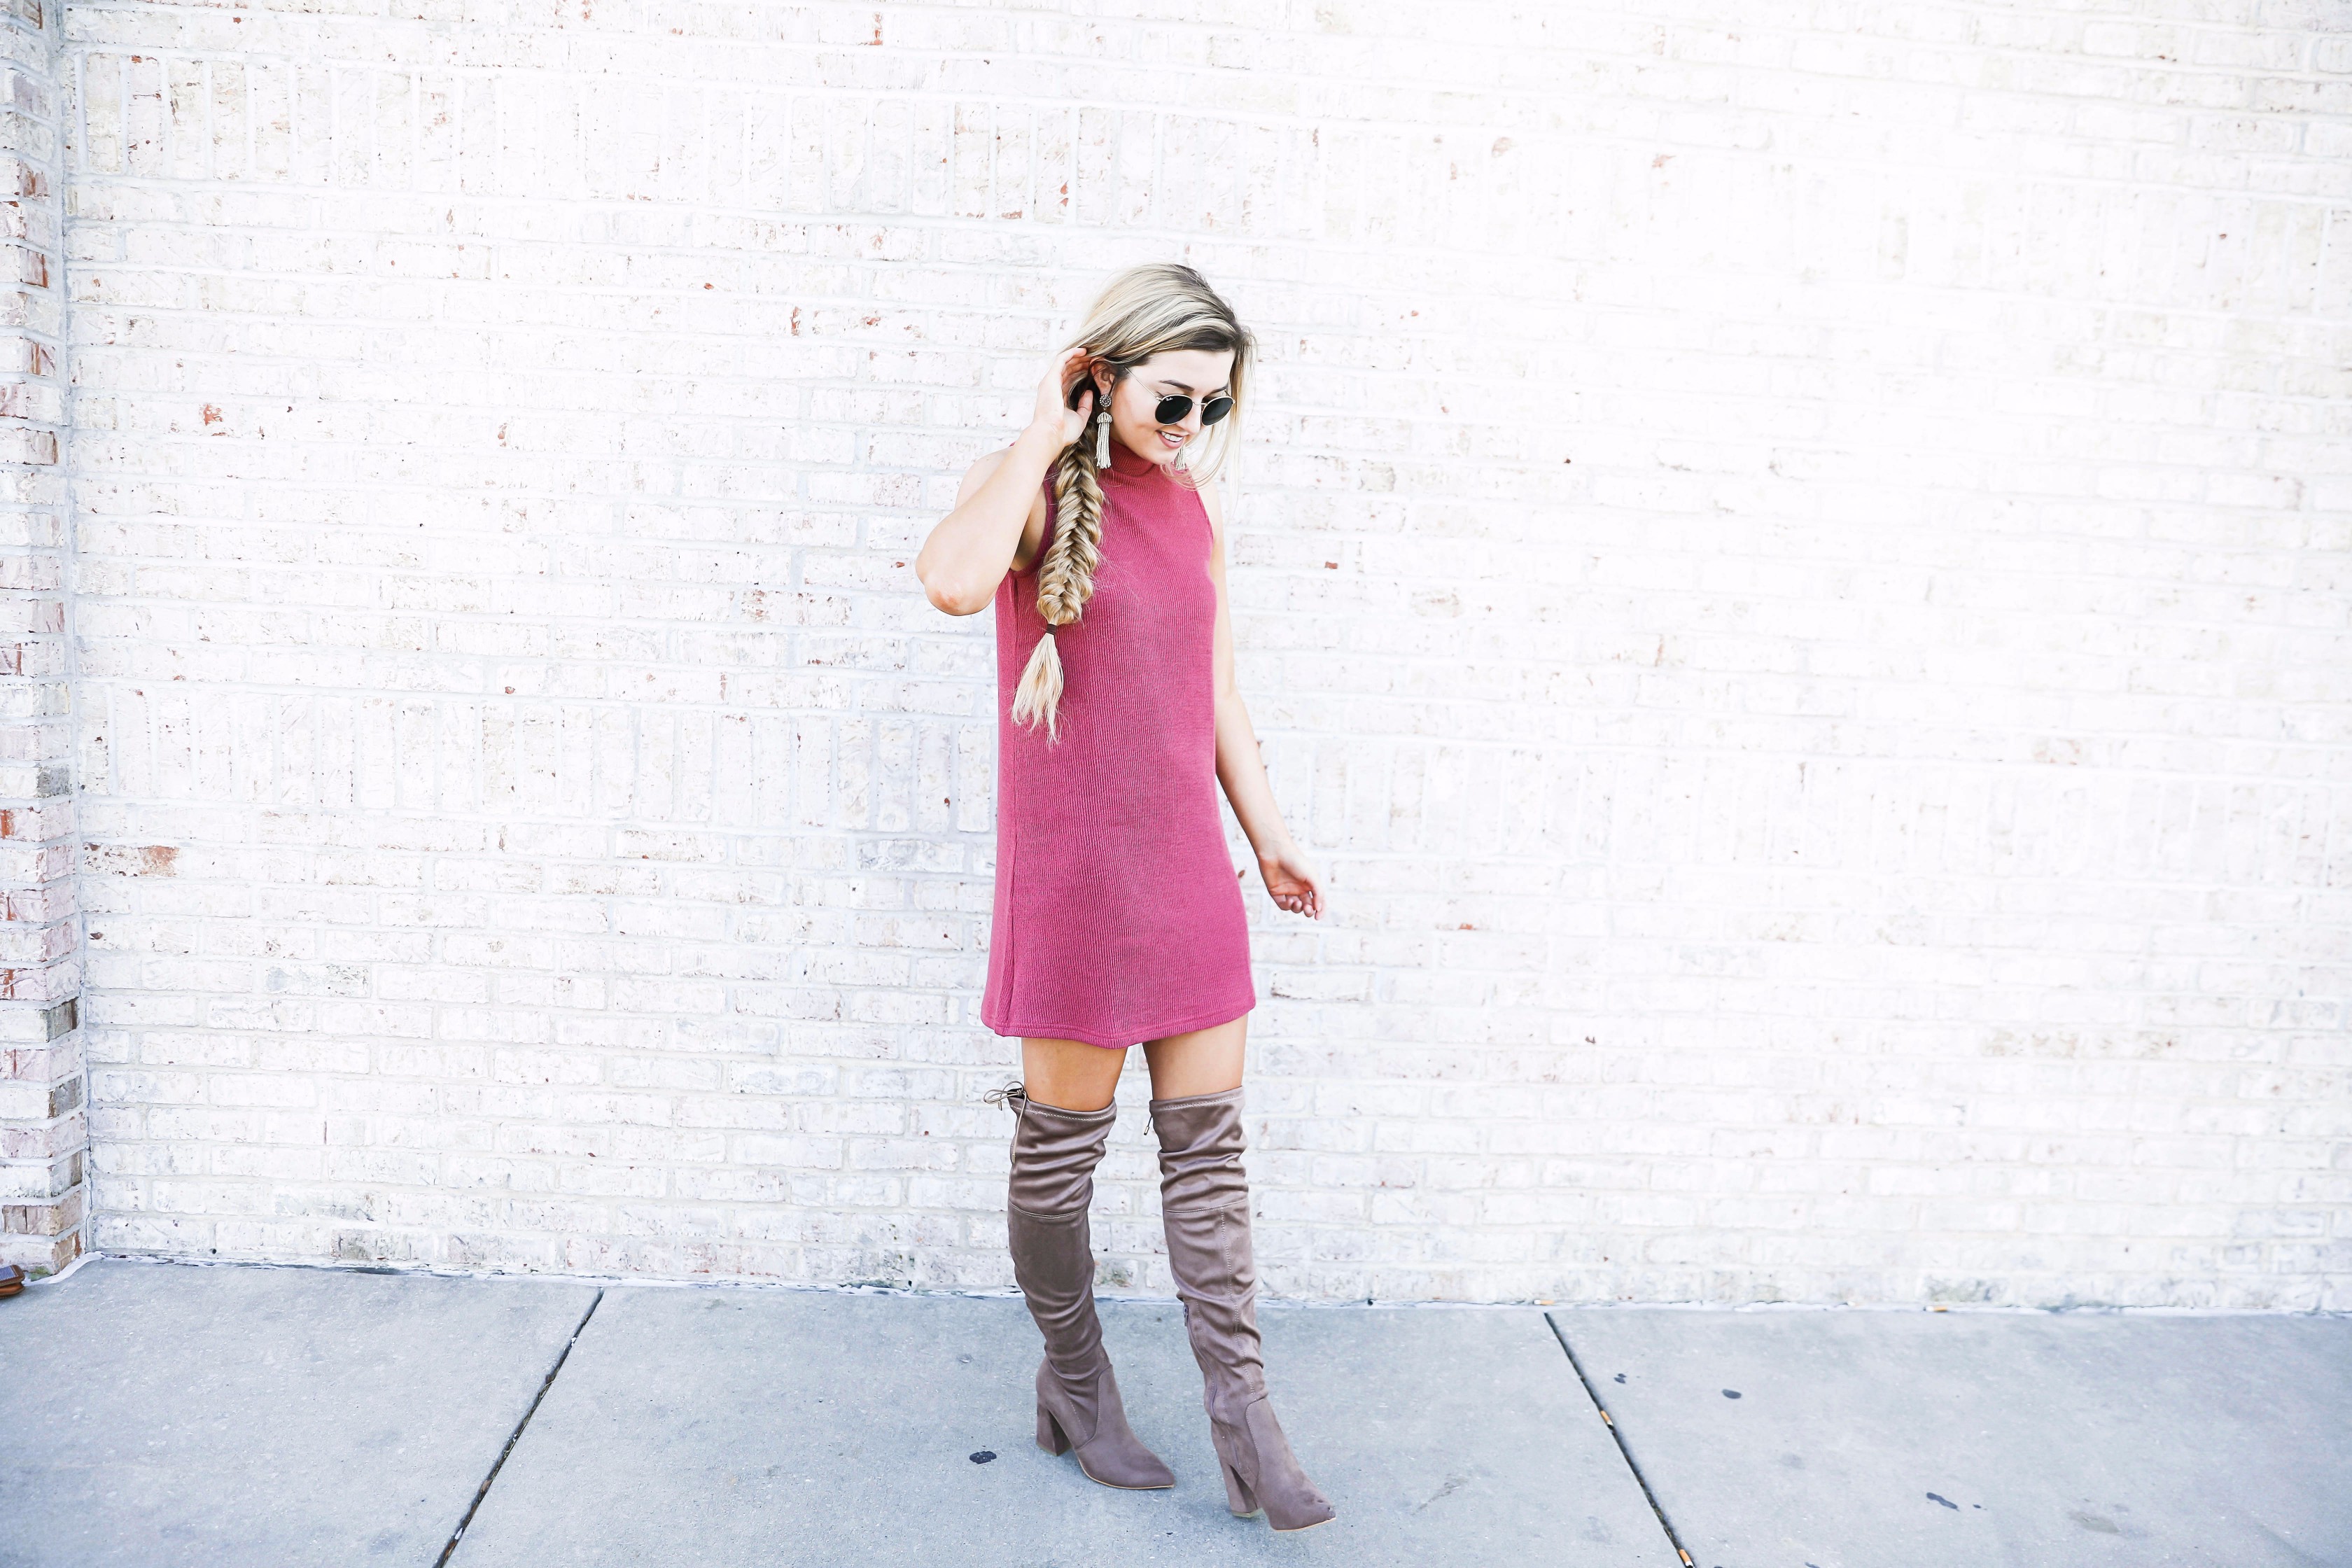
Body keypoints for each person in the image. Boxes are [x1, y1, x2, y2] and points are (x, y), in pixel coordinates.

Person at [914, 262, 1334, 1533]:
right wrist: (1049, 423)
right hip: (1078, 887)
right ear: (1105, 374)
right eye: (1171, 401)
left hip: (1186, 877)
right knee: (1061, 1168)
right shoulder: (1039, 489)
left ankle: (1245, 1420)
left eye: (1215, 407)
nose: (1192, 430)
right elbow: (946, 579)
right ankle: (1078, 1384)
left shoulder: (1196, 515)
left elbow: (1211, 688)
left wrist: (1266, 840)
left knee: (1209, 1165)